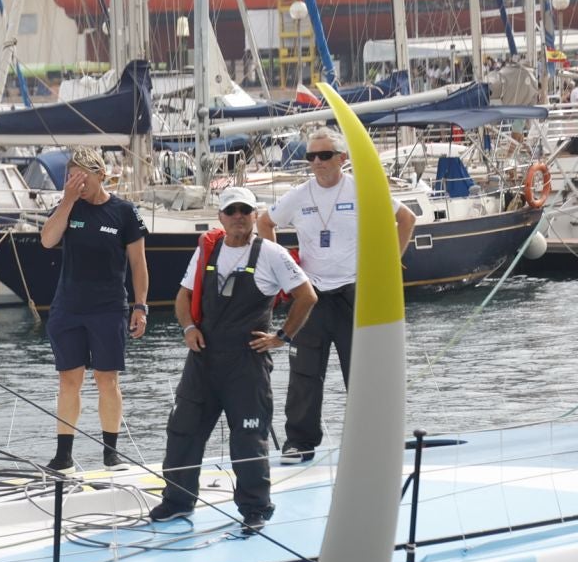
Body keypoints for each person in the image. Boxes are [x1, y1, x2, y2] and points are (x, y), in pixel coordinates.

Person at [149, 189, 316, 533]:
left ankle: (255, 508)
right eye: (231, 210)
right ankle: (177, 501)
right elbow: (183, 296)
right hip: (202, 359)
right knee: (183, 430)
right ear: (221, 217)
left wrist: (281, 337)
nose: (238, 216)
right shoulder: (209, 250)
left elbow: (307, 296)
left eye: (245, 210)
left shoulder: (272, 253)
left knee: (248, 438)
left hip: (246, 364)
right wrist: (189, 327)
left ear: (255, 215)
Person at [257, 126, 415, 463]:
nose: (317, 162)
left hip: (353, 293)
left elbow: (406, 219)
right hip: (311, 297)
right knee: (304, 375)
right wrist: (284, 269)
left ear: (342, 158)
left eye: (325, 155)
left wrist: (389, 264)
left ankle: (371, 441)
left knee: (360, 373)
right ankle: (299, 442)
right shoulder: (299, 195)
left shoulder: (362, 188)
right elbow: (264, 223)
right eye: (311, 156)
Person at [39, 145, 150, 471]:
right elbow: (47, 240)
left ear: (100, 175)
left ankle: (110, 452)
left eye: (80, 178)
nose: (75, 183)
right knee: (68, 380)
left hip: (108, 308)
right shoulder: (68, 207)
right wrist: (68, 200)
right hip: (68, 308)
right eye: (70, 177)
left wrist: (140, 305)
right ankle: (64, 456)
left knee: (107, 380)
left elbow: (139, 264)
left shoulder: (127, 212)